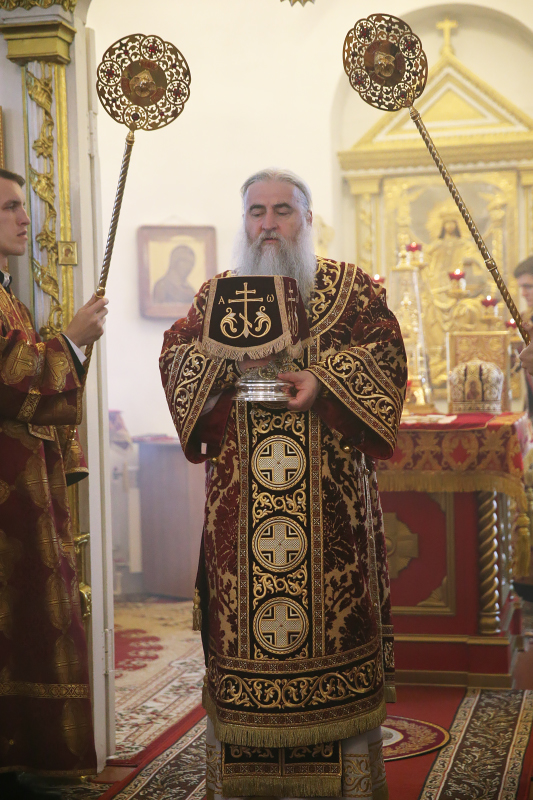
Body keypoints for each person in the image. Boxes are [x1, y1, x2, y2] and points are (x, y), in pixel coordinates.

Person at [160, 168, 406, 800]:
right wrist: (225, 361)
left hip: (331, 520)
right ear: (244, 221)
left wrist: (324, 380)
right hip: (242, 520)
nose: (268, 224)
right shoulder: (218, 295)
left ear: (308, 218)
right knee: (245, 644)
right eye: (256, 212)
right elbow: (176, 357)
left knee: (334, 633)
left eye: (282, 211)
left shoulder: (351, 289)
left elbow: (386, 354)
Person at [0, 168, 108, 799]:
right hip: (8, 495)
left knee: (31, 621)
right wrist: (69, 339)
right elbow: (13, 380)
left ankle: (25, 758)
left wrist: (64, 343)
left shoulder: (9, 297)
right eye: (9, 207)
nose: (24, 218)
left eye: (23, 205)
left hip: (24, 490)